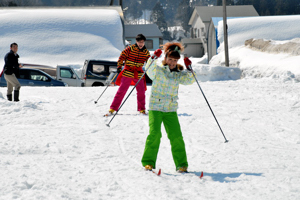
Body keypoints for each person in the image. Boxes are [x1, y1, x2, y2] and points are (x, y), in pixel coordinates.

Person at [141, 42, 195, 173]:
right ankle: (148, 162)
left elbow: (190, 80)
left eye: (175, 60)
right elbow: (148, 68)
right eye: (170, 59)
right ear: (165, 58)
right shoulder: (158, 71)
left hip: (170, 109)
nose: (172, 62)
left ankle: (181, 164)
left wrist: (189, 68)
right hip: (156, 108)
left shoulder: (178, 74)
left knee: (176, 136)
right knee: (155, 134)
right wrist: (153, 57)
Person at [106, 34, 150, 116]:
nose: (141, 44)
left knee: (141, 92)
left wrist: (151, 62)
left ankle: (142, 109)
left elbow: (149, 61)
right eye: (139, 42)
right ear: (136, 42)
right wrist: (119, 66)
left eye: (143, 42)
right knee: (121, 91)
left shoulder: (146, 52)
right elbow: (121, 57)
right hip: (128, 72)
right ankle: (113, 108)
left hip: (139, 73)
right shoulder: (129, 49)